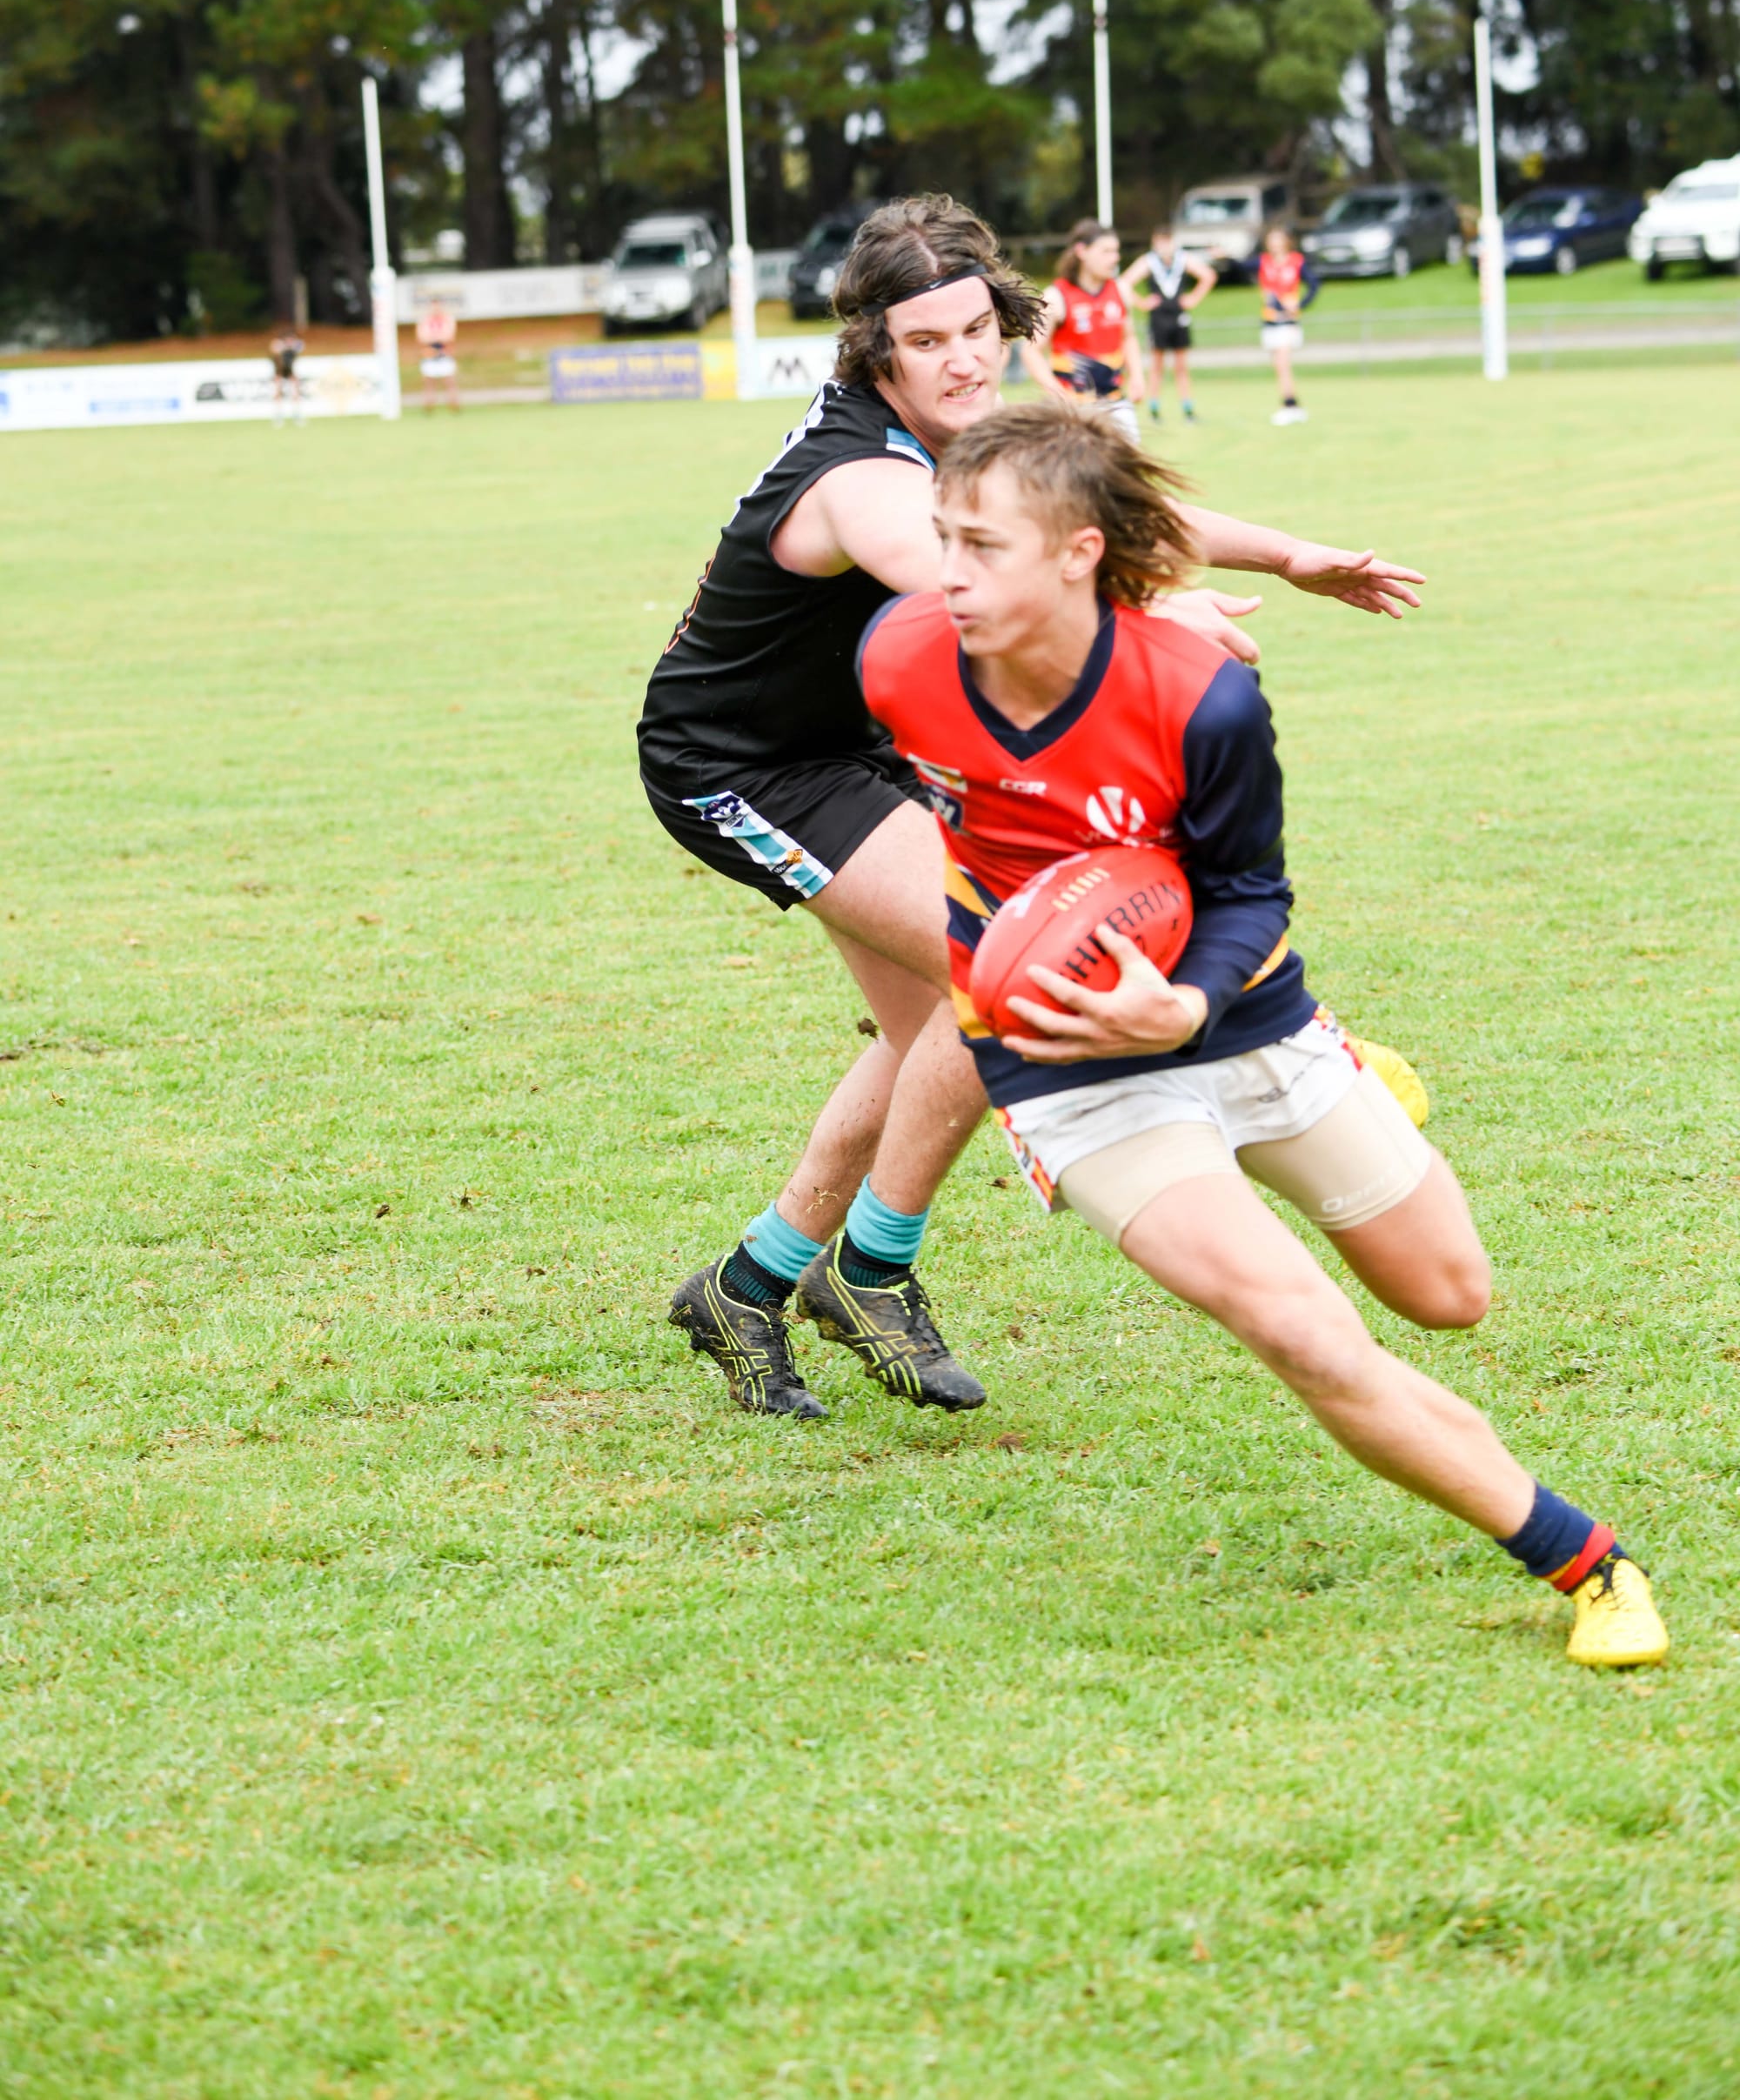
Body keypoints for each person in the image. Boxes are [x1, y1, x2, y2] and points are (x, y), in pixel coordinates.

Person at [857, 406, 1669, 1669]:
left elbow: (1246, 894)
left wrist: (1183, 1004)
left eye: (983, 547)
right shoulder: (898, 659)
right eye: (940, 541)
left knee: (1451, 1297)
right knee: (1300, 1331)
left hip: (1245, 1022)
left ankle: (1354, 1076)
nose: (946, 574)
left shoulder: (1201, 698)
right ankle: (1588, 1562)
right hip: (1069, 1069)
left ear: (1079, 553)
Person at [639, 195, 1426, 1422]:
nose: (961, 360)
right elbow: (968, 586)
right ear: (874, 352)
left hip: (859, 746)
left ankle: (753, 1283)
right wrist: (1161, 621)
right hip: (740, 766)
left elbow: (1091, 522)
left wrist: (1288, 555)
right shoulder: (856, 478)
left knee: (933, 1032)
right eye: (925, 341)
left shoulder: (970, 430)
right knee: (988, 968)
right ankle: (873, 1268)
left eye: (975, 329)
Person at [1031, 218, 1146, 441]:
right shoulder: (1056, 297)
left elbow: (1128, 337)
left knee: (1125, 472)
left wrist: (1137, 376)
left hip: (1115, 404)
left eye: (1116, 251)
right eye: (1106, 251)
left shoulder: (1120, 290)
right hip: (1075, 410)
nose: (1115, 258)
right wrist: (1056, 391)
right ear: (1081, 251)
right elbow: (1031, 351)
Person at [1128, 221, 1215, 424]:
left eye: (1168, 241)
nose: (1165, 246)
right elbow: (1124, 282)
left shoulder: (1182, 259)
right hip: (1158, 318)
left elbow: (1208, 275)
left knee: (1181, 366)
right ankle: (1154, 409)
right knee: (1157, 366)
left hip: (1179, 316)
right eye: (1161, 242)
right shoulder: (1148, 262)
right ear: (1154, 243)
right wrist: (1141, 302)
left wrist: (1194, 298)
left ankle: (1188, 409)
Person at [1256, 225, 1315, 426]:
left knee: (1283, 364)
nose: (1274, 244)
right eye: (1271, 239)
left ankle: (1289, 406)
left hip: (1287, 321)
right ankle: (1294, 405)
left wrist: (1300, 304)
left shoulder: (1296, 261)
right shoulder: (1264, 262)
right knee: (1278, 366)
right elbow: (1240, 266)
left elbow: (1314, 285)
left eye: (1277, 239)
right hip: (1270, 320)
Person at [416, 299, 460, 411]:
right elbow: (422, 338)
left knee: (449, 380)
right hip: (430, 352)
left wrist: (438, 340)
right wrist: (434, 342)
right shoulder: (424, 321)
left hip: (444, 352)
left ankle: (453, 404)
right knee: (429, 381)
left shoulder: (447, 320)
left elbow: (449, 337)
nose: (435, 310)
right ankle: (429, 405)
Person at [268, 321, 306, 422]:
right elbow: (274, 349)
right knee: (278, 392)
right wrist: (285, 347)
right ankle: (278, 415)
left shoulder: (295, 346)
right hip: (279, 371)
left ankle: (297, 414)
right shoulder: (279, 345)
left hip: (290, 371)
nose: (290, 341)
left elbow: (300, 346)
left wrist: (290, 346)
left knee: (296, 392)